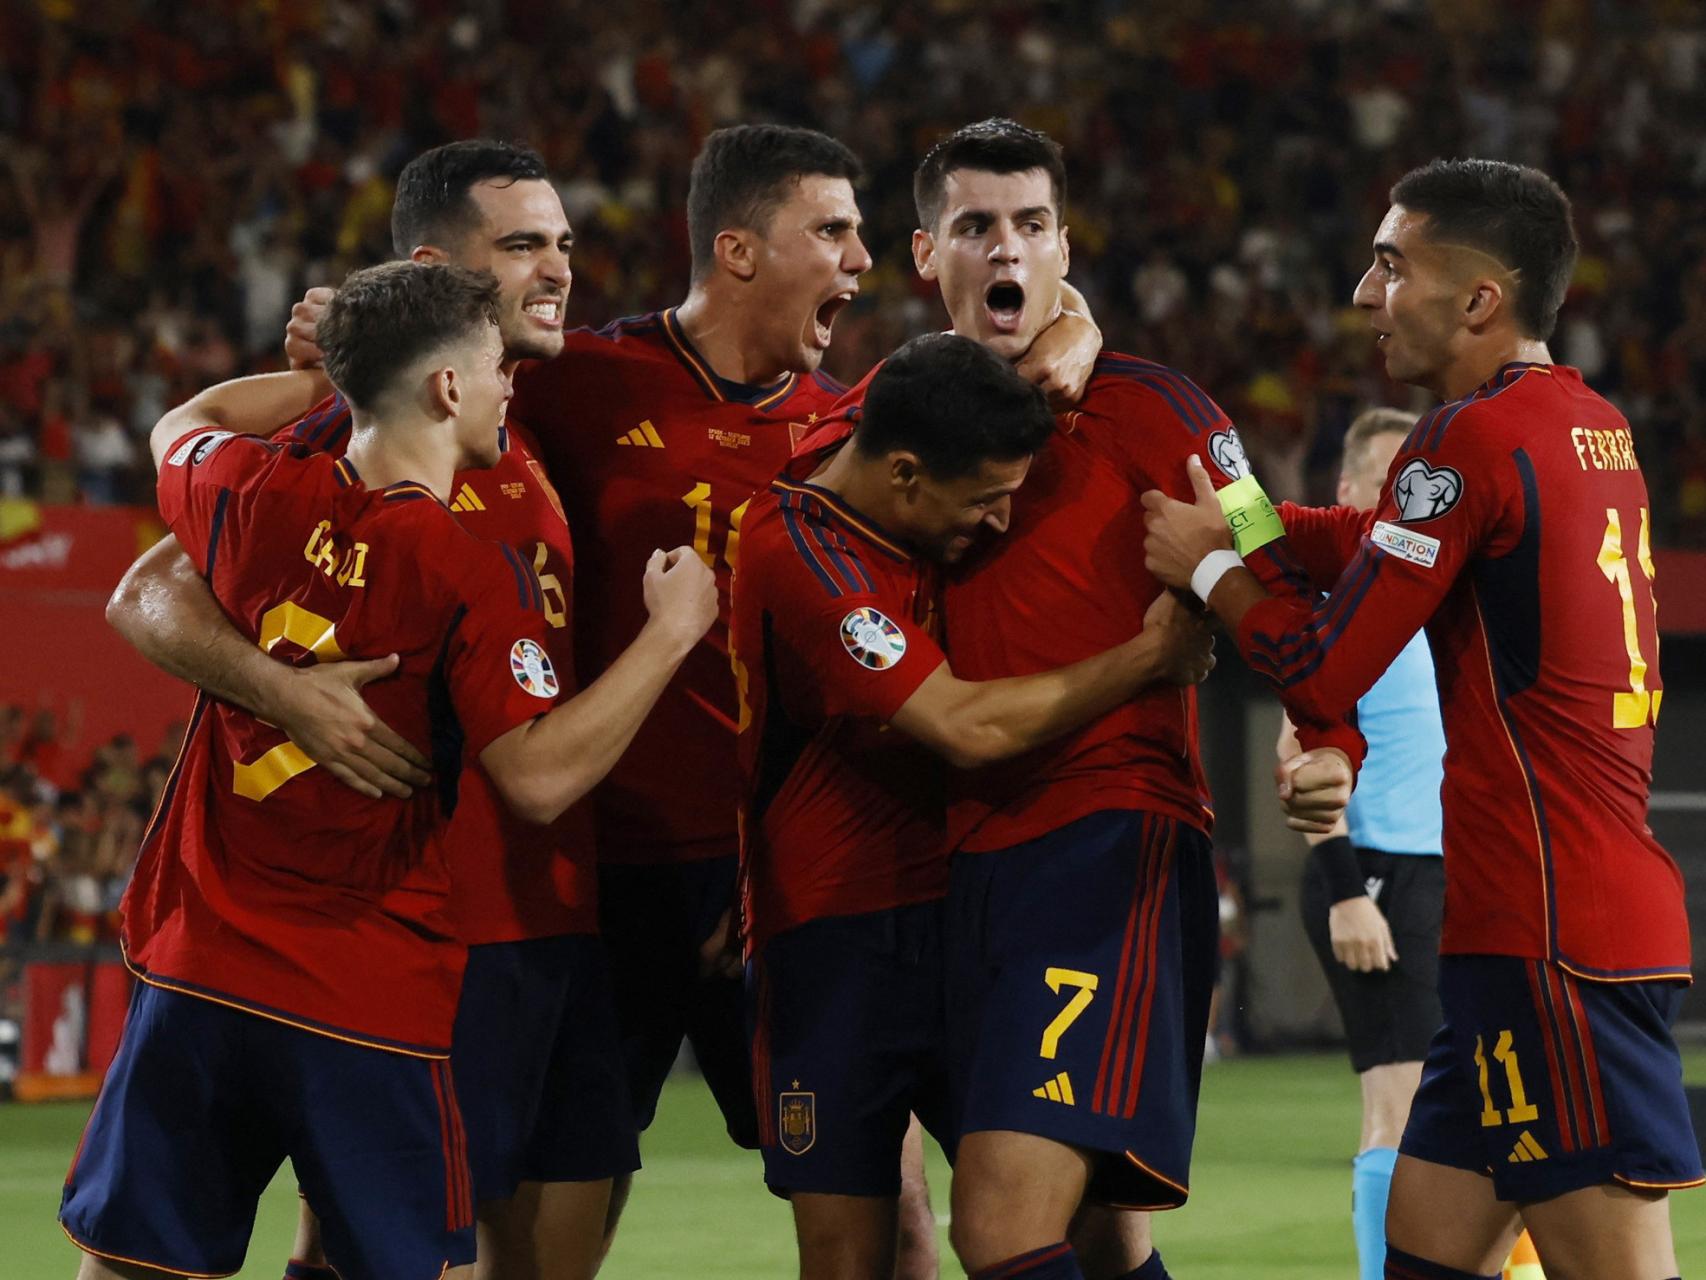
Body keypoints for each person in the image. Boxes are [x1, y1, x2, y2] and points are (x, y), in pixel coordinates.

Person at [62, 261, 716, 1280]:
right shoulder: (461, 565)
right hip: (362, 985)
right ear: (449, 388)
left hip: (205, 967)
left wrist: (332, 383)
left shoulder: (247, 486)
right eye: (497, 368)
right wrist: (669, 634)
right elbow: (539, 778)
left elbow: (185, 416)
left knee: (135, 1261)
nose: (510, 387)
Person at [804, 118, 1360, 1280]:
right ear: (924, 256)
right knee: (1099, 1236)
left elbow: (1275, 564)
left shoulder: (1165, 412)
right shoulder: (886, 421)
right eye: (975, 227)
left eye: (1030, 225)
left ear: (1064, 246)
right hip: (957, 861)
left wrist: (1326, 731)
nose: (1006, 250)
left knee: (1001, 1226)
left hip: (1106, 841)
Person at [1141, 158, 1700, 1279]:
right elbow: (1358, 538)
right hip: (1518, 937)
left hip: (1555, 941)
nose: (1361, 291)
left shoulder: (1466, 438)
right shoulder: (1587, 429)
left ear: (1477, 298)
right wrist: (1240, 503)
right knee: (1422, 1257)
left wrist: (1209, 572)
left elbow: (1321, 664)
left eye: (1391, 264)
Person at [732, 332, 1216, 1280]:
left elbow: (1010, 321)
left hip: (968, 908)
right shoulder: (801, 547)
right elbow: (962, 726)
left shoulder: (907, 412)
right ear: (905, 473)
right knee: (852, 1255)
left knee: (1089, 1227)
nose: (999, 523)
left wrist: (1073, 315)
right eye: (986, 498)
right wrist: (1149, 661)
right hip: (835, 935)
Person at [1277, 406, 1445, 1280]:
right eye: (1386, 486)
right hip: (1375, 876)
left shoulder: (1434, 601)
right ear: (1346, 497)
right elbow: (1298, 751)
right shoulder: (1340, 608)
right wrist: (1344, 888)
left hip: (1444, 878)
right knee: (1399, 1108)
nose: (1404, 503)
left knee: (1461, 1112)